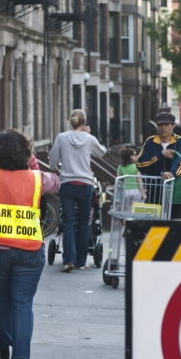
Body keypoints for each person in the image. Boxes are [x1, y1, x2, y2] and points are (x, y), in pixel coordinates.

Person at [0, 130, 60, 359]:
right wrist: (31, 160)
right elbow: (56, 182)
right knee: (22, 303)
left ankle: (3, 345)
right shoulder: (38, 179)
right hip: (29, 251)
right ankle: (21, 358)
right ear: (26, 153)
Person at [49, 109, 107, 272]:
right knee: (83, 223)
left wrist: (55, 168)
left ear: (71, 121)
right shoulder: (89, 139)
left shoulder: (61, 137)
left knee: (67, 222)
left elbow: (52, 159)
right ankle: (81, 261)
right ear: (84, 123)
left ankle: (69, 261)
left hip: (66, 184)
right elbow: (102, 153)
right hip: (85, 185)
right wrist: (88, 134)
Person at [136, 112, 181, 219]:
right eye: (160, 125)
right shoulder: (150, 141)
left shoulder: (180, 140)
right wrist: (160, 155)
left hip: (176, 190)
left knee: (176, 221)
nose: (163, 127)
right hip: (154, 189)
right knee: (154, 222)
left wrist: (172, 173)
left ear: (173, 126)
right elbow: (140, 164)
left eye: (166, 124)